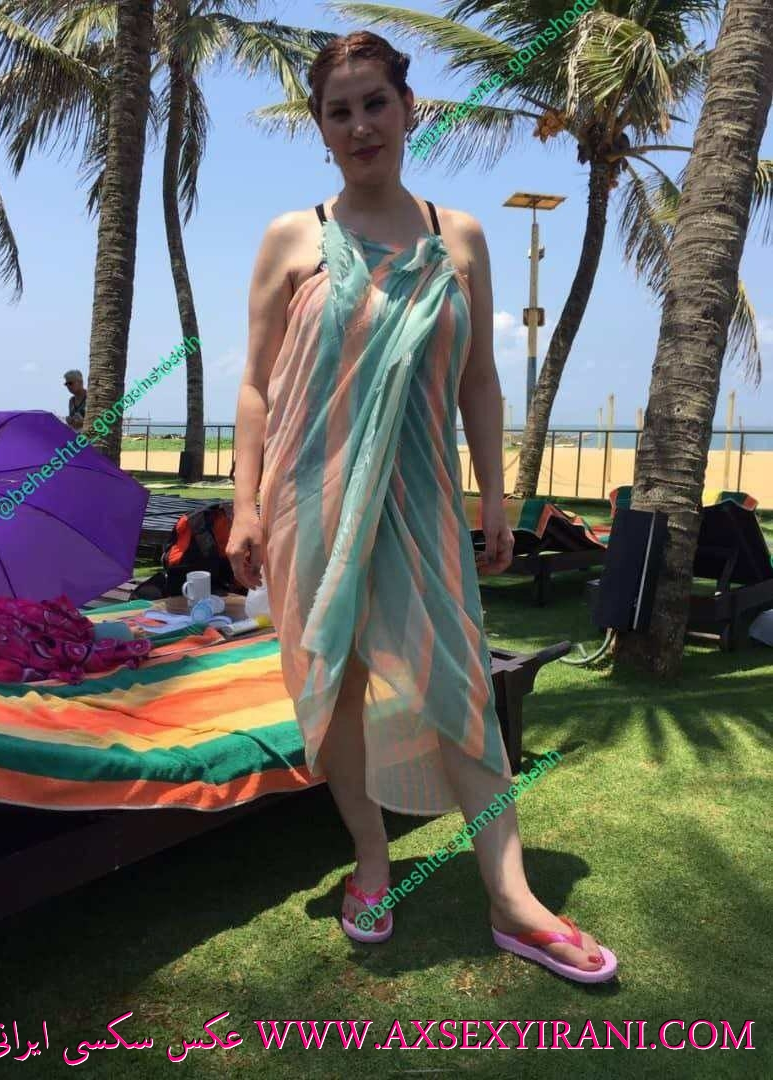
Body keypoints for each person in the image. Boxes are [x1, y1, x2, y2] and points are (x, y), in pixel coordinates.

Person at [226, 30, 616, 984]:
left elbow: (478, 381)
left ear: (409, 110)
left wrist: (496, 495)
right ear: (322, 128)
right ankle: (370, 860)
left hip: (424, 497)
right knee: (339, 684)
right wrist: (244, 506)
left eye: (375, 104)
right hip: (308, 500)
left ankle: (513, 899)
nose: (360, 125)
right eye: (340, 111)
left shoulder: (460, 236)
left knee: (461, 684)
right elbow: (257, 386)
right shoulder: (292, 238)